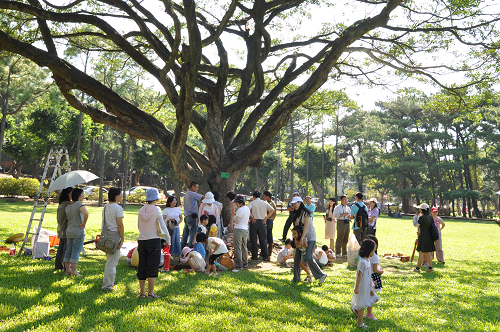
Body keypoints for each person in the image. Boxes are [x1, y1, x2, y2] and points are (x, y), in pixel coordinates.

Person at [137, 188, 169, 299]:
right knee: (152, 266)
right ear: (155, 199)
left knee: (142, 265)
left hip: (142, 240)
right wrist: (167, 238)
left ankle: (142, 293)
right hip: (154, 240)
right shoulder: (157, 209)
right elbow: (162, 224)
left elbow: (138, 226)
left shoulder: (140, 210)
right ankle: (150, 293)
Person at [290, 197, 327, 285]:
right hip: (301, 237)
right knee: (297, 257)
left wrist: (301, 239)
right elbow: (296, 228)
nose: (294, 205)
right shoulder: (295, 214)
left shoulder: (306, 213)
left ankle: (321, 275)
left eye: (295, 203)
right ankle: (296, 278)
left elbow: (306, 227)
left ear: (300, 203)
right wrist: (296, 240)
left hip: (310, 238)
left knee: (308, 256)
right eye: (293, 203)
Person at [351, 239, 380, 328]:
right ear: (368, 250)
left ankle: (362, 319)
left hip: (367, 284)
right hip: (362, 286)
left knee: (371, 299)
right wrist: (357, 288)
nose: (374, 253)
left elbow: (368, 273)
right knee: (362, 305)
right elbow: (359, 275)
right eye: (373, 251)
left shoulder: (367, 261)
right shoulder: (363, 262)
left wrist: (372, 282)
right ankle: (360, 323)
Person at [102, 187, 125, 291]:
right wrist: (122, 239)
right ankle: (107, 285)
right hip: (115, 236)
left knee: (110, 260)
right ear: (116, 197)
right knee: (112, 263)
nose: (121, 196)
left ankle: (108, 283)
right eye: (120, 194)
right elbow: (120, 225)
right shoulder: (118, 208)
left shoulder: (106, 207)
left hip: (107, 237)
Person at [64, 188, 88, 277]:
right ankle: (74, 271)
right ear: (78, 196)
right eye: (82, 194)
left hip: (69, 230)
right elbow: (86, 213)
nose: (83, 196)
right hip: (78, 231)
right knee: (76, 251)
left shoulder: (68, 206)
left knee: (68, 250)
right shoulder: (80, 205)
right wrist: (84, 222)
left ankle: (67, 270)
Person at [248, 191, 275, 261]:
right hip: (263, 222)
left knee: (253, 240)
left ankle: (254, 255)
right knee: (263, 240)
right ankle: (265, 256)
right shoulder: (264, 203)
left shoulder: (252, 203)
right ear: (260, 196)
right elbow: (272, 210)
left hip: (254, 222)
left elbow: (247, 210)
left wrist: (252, 217)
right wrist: (266, 218)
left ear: (254, 197)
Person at [413, 203, 435, 273]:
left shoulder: (422, 218)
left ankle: (417, 268)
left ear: (423, 210)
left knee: (421, 253)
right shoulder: (430, 217)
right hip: (430, 237)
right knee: (428, 253)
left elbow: (416, 224)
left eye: (420, 209)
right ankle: (430, 267)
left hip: (423, 237)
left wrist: (415, 217)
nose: (419, 210)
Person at [180, 182, 204, 249]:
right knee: (192, 234)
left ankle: (182, 248)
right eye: (197, 187)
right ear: (192, 187)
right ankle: (190, 249)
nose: (197, 189)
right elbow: (202, 197)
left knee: (185, 234)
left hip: (187, 216)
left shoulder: (187, 194)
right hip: (192, 216)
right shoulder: (193, 193)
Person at [231, 196, 250, 269]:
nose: (236, 204)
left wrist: (234, 218)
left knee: (238, 247)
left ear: (240, 202)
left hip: (238, 229)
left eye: (237, 202)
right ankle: (245, 262)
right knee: (244, 246)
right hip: (245, 229)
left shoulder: (239, 210)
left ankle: (239, 263)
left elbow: (237, 221)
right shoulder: (247, 208)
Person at [55, 187, 72, 271]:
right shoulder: (67, 205)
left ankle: (58, 265)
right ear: (68, 194)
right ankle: (67, 268)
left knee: (60, 249)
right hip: (66, 230)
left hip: (60, 229)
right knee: (66, 249)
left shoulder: (61, 204)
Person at [263, 191, 277, 257]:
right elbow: (275, 213)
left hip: (267, 220)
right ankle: (269, 251)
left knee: (266, 236)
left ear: (267, 196)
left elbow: (272, 211)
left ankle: (267, 252)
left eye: (264, 196)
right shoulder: (273, 203)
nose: (264, 197)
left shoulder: (268, 203)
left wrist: (266, 218)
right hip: (270, 220)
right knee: (269, 235)